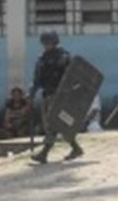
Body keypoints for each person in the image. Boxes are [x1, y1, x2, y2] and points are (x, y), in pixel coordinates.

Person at [30, 30, 83, 164]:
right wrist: (32, 91)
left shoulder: (64, 57)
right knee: (59, 123)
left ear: (55, 42)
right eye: (45, 43)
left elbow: (72, 76)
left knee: (53, 122)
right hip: (48, 94)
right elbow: (37, 78)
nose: (47, 45)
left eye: (49, 43)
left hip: (62, 95)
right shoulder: (41, 59)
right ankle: (75, 148)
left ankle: (44, 153)